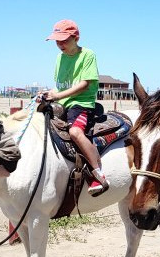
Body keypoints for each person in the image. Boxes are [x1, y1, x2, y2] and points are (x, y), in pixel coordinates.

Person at [39, 19, 109, 197]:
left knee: (75, 132)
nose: (60, 44)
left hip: (81, 103)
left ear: (75, 37)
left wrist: (58, 96)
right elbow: (60, 87)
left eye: (64, 40)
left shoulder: (87, 55)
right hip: (62, 102)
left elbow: (85, 84)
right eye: (57, 40)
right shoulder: (59, 58)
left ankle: (97, 172)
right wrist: (48, 94)